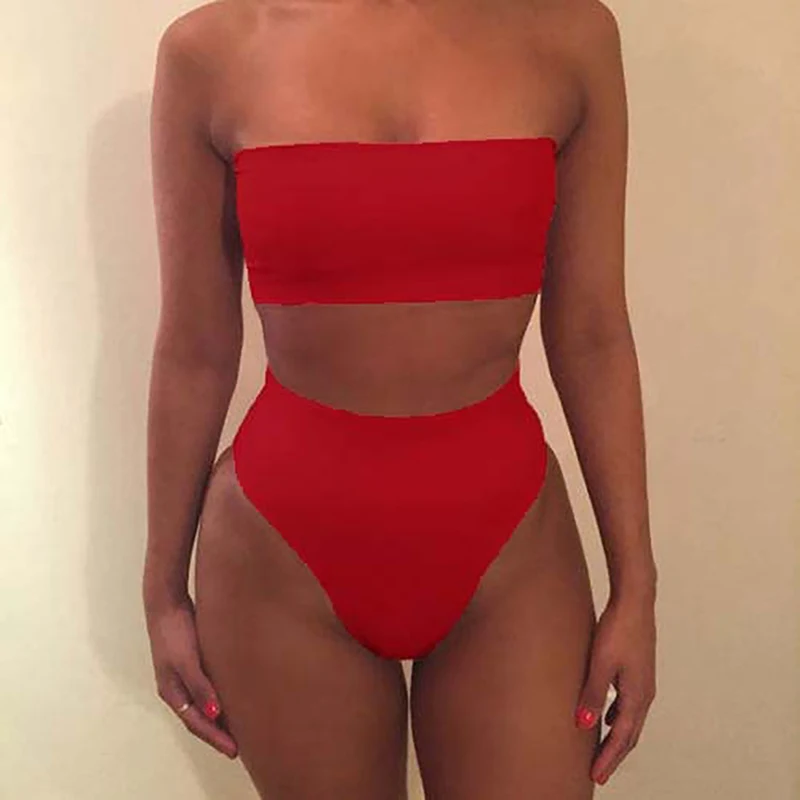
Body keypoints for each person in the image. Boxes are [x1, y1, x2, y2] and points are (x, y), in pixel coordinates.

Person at [144, 0, 657, 796]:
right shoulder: (211, 51)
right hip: (283, 550)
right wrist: (162, 595)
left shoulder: (570, 35)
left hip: (509, 549)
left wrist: (636, 588)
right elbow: (195, 351)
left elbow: (592, 334)